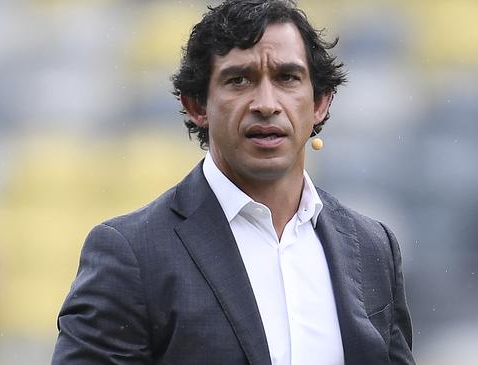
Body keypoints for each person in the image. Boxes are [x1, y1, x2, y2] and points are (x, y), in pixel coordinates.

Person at [51, 0, 415, 364]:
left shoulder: (372, 247)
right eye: (239, 79)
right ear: (197, 105)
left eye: (287, 78)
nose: (267, 103)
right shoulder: (132, 254)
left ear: (320, 102)